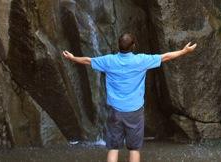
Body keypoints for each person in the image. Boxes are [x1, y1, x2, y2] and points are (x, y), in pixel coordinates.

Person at [61, 33, 197, 162]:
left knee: (113, 148)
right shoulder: (141, 60)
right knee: (134, 149)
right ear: (133, 46)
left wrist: (72, 58)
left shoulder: (109, 61)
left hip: (116, 110)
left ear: (118, 45)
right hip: (135, 111)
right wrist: (184, 51)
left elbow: (87, 60)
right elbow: (165, 57)